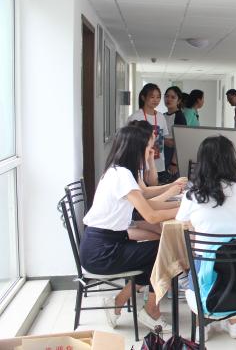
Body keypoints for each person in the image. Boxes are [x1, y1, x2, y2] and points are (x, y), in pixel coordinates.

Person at [79, 125, 181, 331]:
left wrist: (179, 205)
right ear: (137, 148)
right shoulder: (122, 175)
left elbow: (147, 203)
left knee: (158, 250)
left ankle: (120, 301)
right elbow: (151, 215)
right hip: (102, 252)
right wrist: (184, 209)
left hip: (103, 244)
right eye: (148, 148)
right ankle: (150, 309)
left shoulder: (117, 171)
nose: (150, 152)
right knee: (167, 252)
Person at [176, 135, 236, 339]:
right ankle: (235, 324)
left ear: (202, 163)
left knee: (198, 259)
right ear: (232, 160)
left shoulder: (192, 195)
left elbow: (188, 231)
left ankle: (201, 326)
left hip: (206, 279)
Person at [126, 120, 186, 242]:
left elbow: (150, 186)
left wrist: (179, 201)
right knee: (166, 240)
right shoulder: (125, 173)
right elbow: (149, 210)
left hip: (128, 221)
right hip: (124, 226)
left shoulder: (129, 166)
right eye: (149, 147)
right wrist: (182, 205)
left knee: (166, 235)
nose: (151, 150)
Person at [128, 83, 170, 182]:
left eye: (158, 97)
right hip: (140, 164)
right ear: (143, 97)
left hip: (158, 164)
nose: (156, 100)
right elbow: (129, 141)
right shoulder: (135, 117)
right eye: (152, 97)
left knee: (156, 188)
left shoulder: (161, 117)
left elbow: (165, 138)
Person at [163, 86, 187, 182]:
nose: (169, 99)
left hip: (171, 155)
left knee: (170, 183)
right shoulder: (163, 115)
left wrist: (174, 163)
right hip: (162, 153)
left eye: (173, 97)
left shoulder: (179, 117)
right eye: (167, 96)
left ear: (179, 100)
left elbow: (180, 142)